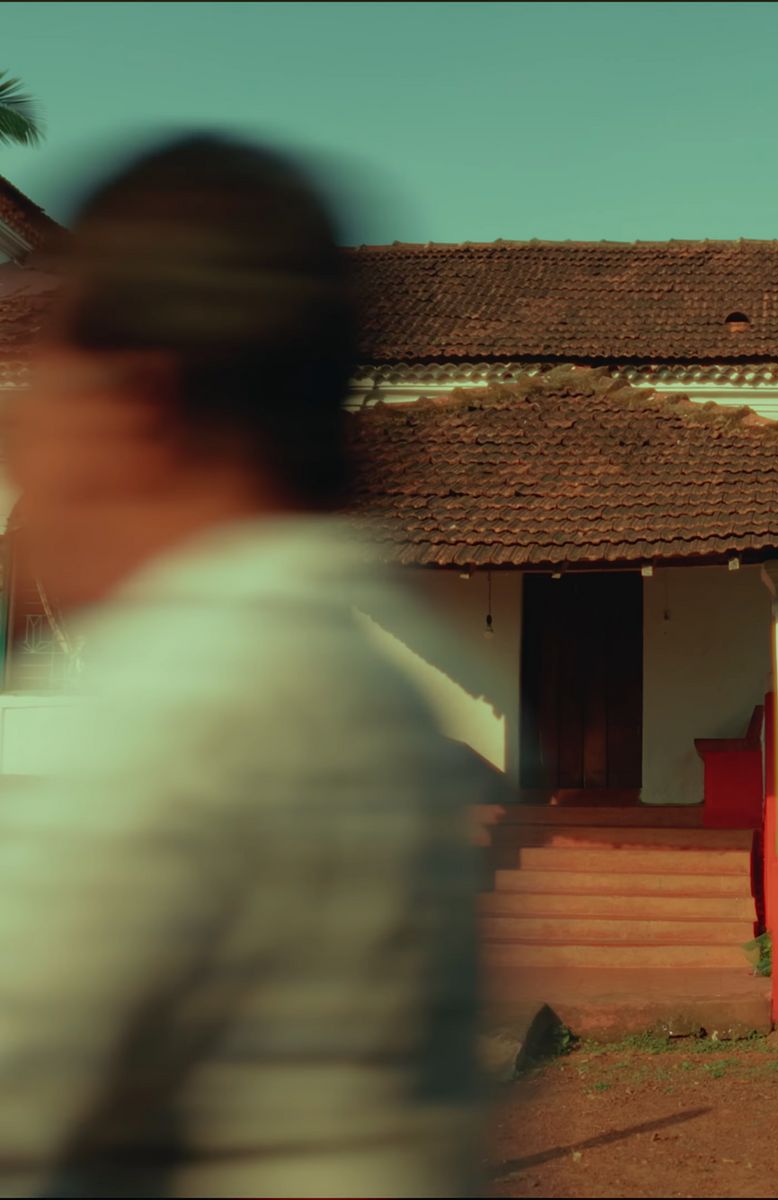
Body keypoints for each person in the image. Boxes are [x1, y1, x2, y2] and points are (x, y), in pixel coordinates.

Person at [0, 135, 483, 1197]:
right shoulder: (356, 678)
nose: (26, 429)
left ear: (143, 402)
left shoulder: (183, 705)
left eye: (51, 383)